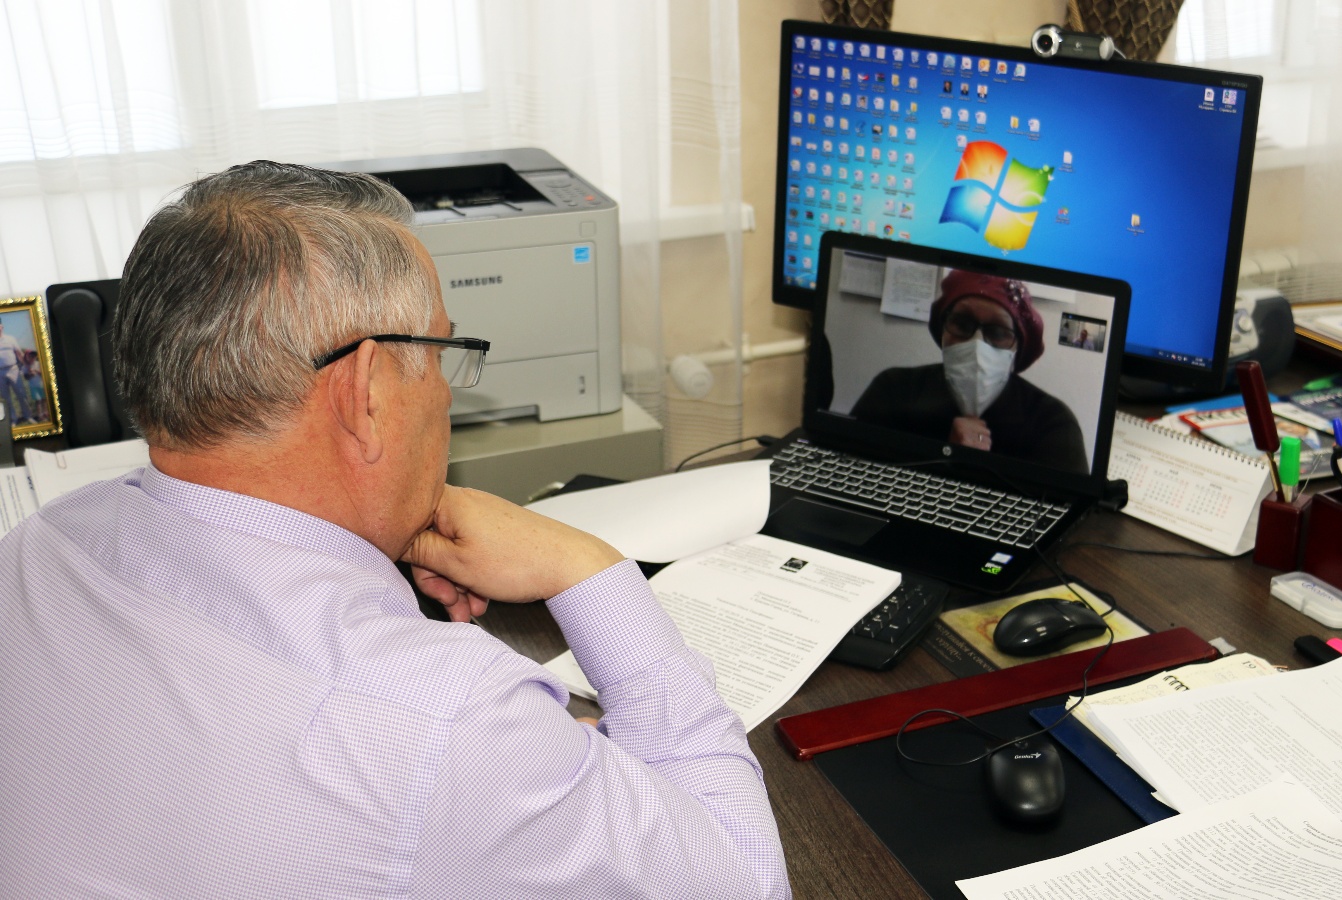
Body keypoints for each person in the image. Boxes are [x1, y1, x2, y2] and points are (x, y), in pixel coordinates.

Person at [0, 161, 789, 899]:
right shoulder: (447, 722)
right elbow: (748, 881)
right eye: (440, 353)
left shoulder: (39, 548)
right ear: (367, 391)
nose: (445, 393)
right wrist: (588, 570)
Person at [850, 269, 1086, 471]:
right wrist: (945, 455)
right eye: (962, 324)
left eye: (998, 332)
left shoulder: (1052, 423)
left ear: (1017, 348)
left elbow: (1065, 507)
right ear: (943, 329)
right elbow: (851, 469)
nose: (977, 344)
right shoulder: (894, 389)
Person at [0, 318, 32, 423]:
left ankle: (28, 416)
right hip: (0, 372)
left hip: (13, 369)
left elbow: (19, 354)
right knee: (6, 398)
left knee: (21, 394)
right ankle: (12, 419)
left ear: (2, 326)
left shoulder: (10, 339)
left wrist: (27, 367)